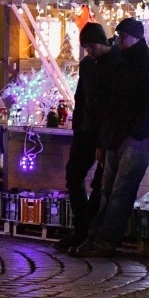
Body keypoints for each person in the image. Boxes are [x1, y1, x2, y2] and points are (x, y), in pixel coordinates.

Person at [76, 17, 149, 258]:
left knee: (118, 191)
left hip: (133, 138)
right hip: (121, 137)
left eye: (123, 37)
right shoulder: (127, 62)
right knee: (109, 190)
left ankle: (102, 240)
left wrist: (137, 131)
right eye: (118, 36)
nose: (119, 40)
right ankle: (97, 238)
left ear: (135, 37)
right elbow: (113, 104)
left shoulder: (146, 64)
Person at [55, 22, 116, 253]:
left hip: (107, 134)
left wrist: (103, 140)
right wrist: (77, 126)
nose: (90, 51)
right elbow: (81, 98)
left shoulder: (116, 64)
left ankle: (88, 231)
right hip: (86, 131)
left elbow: (111, 106)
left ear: (102, 42)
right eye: (86, 47)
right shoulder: (88, 66)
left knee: (100, 184)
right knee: (74, 175)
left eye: (93, 46)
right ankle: (81, 228)